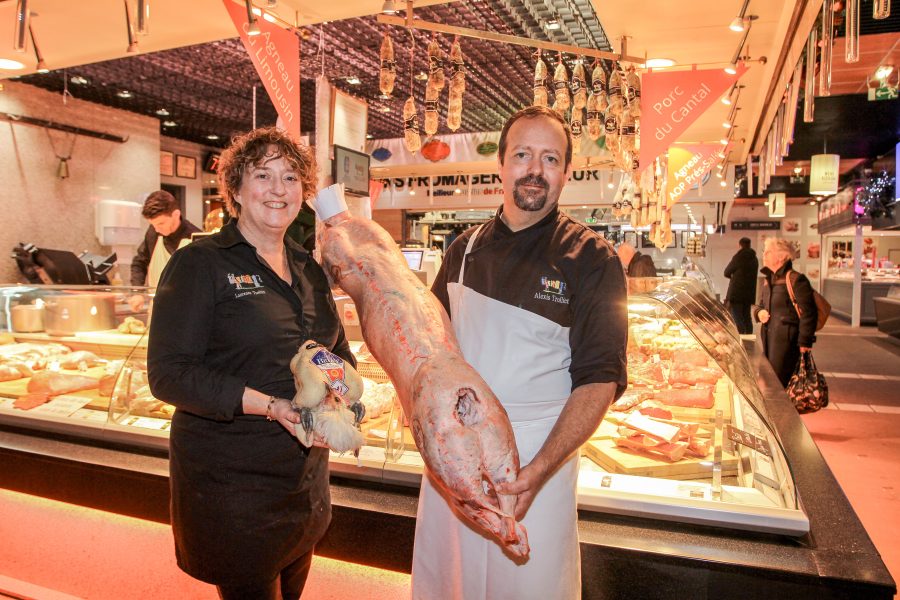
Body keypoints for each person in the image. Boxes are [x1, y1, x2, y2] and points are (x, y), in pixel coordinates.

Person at [412, 106, 628, 599]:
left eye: (550, 158)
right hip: (458, 457)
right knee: (453, 582)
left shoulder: (593, 260)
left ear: (567, 173)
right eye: (523, 155)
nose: (535, 169)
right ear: (502, 166)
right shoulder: (462, 250)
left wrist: (539, 469)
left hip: (538, 457)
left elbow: (600, 379)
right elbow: (431, 350)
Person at [147, 127, 353, 600]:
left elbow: (336, 350)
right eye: (263, 175)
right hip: (233, 488)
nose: (278, 189)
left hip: (303, 482)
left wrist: (342, 389)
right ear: (236, 189)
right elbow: (169, 374)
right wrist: (271, 405)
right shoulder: (201, 263)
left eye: (289, 177)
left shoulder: (309, 268)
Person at [754, 237, 817, 387]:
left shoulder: (796, 280)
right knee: (770, 380)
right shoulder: (768, 280)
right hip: (769, 339)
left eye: (768, 252)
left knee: (781, 384)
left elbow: (809, 313)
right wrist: (759, 313)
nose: (764, 255)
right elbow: (760, 305)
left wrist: (805, 343)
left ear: (782, 256)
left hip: (787, 343)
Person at [130, 190, 200, 287]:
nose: (157, 229)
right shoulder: (153, 233)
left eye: (161, 223)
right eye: (153, 225)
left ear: (176, 214)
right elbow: (139, 262)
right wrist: (137, 290)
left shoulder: (196, 238)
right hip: (155, 299)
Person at [723, 237, 759, 334]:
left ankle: (741, 339)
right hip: (749, 293)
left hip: (737, 293)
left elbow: (726, 272)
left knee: (737, 317)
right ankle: (749, 339)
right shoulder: (754, 259)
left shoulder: (739, 257)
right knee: (747, 317)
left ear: (740, 245)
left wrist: (734, 276)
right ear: (749, 245)